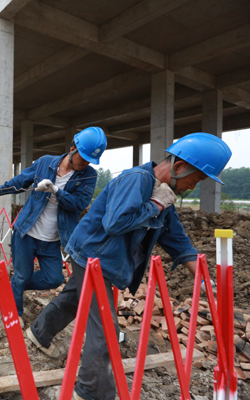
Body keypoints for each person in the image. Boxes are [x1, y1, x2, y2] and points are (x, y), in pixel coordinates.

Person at [26, 132, 232, 400]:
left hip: (99, 257)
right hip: (93, 256)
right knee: (105, 330)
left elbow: (176, 238)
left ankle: (38, 334)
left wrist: (201, 277)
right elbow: (115, 223)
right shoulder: (138, 180)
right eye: (198, 179)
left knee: (74, 298)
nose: (193, 187)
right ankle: (91, 392)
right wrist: (154, 205)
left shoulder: (162, 194)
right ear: (180, 167)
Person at [0, 127, 107, 327]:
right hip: (27, 232)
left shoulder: (88, 176)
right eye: (83, 158)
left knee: (53, 278)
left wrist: (56, 190)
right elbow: (22, 180)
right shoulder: (44, 162)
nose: (85, 163)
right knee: (22, 274)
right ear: (72, 149)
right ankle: (14, 314)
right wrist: (1, 190)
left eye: (89, 161)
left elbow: (79, 204)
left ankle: (13, 286)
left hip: (52, 240)